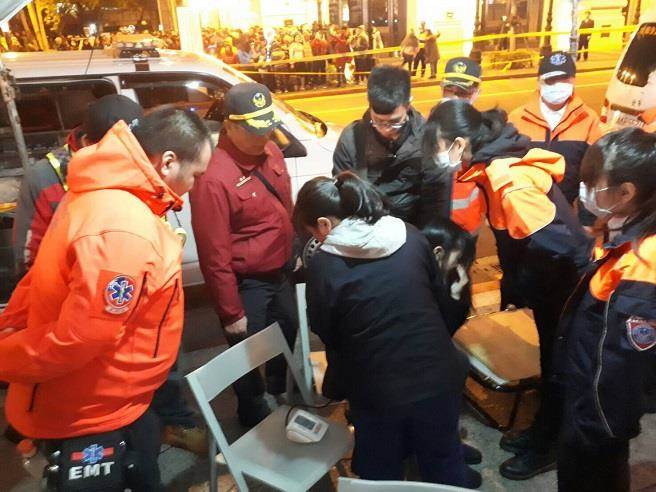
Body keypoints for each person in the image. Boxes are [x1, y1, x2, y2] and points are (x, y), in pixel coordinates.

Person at [0, 108, 213, 490]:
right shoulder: (123, 226)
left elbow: (38, 286)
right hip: (89, 410)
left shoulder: (102, 196)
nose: (195, 186)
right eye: (196, 174)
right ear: (167, 162)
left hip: (105, 398)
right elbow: (78, 337)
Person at [424, 99, 593, 480]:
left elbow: (563, 247)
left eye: (438, 145)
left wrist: (530, 280)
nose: (436, 154)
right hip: (552, 287)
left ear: (460, 143)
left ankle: (551, 446)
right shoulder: (492, 165)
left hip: (567, 289)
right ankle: (542, 431)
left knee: (560, 370)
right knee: (550, 363)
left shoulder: (509, 181)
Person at [295, 171, 479, 489]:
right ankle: (449, 472)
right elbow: (437, 300)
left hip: (377, 389)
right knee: (443, 461)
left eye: (313, 232)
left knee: (381, 472)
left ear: (323, 224)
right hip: (439, 375)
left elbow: (326, 329)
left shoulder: (325, 264)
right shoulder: (408, 233)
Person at [553, 128, 656, 492]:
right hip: (588, 393)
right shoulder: (624, 227)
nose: (585, 192)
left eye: (592, 184)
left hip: (598, 410)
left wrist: (593, 421)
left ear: (626, 193)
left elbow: (620, 362)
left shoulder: (643, 266)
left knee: (591, 475)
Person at [190, 83, 298, 428]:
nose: (263, 135)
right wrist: (230, 311)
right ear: (230, 126)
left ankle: (281, 387)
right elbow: (213, 253)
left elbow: (285, 205)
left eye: (267, 127)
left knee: (289, 327)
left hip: (280, 269)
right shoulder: (213, 177)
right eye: (254, 130)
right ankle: (251, 410)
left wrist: (293, 248)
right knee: (246, 350)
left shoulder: (271, 151)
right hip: (247, 281)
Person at [333, 65, 447, 226]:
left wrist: (424, 235)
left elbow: (434, 197)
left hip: (411, 226)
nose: (385, 129)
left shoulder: (428, 138)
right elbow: (343, 191)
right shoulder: (351, 138)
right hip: (367, 226)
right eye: (378, 121)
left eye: (395, 122)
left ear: (408, 104)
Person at [509, 51, 602, 206]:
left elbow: (594, 173)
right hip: (527, 209)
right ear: (539, 82)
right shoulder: (517, 119)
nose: (558, 85)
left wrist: (583, 213)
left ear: (573, 80)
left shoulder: (588, 119)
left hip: (569, 210)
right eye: (551, 80)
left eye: (564, 79)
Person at [422, 218, 476, 335]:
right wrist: (454, 297)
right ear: (438, 252)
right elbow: (444, 330)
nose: (458, 264)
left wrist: (457, 295)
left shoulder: (452, 277)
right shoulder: (419, 285)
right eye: (457, 259)